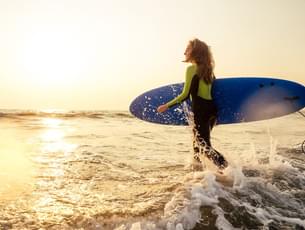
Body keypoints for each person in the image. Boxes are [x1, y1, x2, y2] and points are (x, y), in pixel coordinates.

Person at [157, 38, 228, 170]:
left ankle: (228, 169)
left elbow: (185, 95)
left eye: (188, 49)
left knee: (203, 146)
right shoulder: (208, 70)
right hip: (212, 111)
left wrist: (166, 106)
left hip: (201, 111)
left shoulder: (191, 69)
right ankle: (199, 176)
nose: (185, 52)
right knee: (197, 146)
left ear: (195, 51)